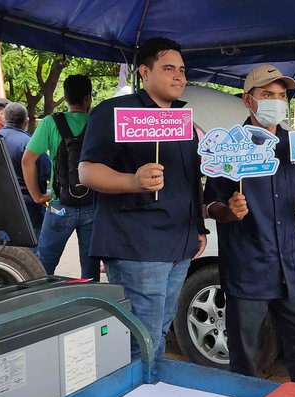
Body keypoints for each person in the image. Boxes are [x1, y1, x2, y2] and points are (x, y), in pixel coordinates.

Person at [78, 37, 208, 358]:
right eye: (168, 69)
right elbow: (87, 171)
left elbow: (190, 180)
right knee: (142, 338)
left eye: (181, 70)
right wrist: (133, 181)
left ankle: (151, 385)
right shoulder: (114, 112)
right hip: (138, 246)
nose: (178, 76)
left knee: (161, 329)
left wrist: (199, 228)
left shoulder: (184, 120)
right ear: (145, 73)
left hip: (181, 243)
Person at [204, 64, 295, 386]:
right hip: (247, 267)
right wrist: (228, 211)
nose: (276, 101)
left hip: (292, 267)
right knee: (245, 352)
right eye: (267, 94)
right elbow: (209, 204)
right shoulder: (227, 148)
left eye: (282, 95)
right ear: (248, 100)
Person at [22, 75, 100, 281]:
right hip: (93, 205)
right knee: (90, 267)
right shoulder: (97, 123)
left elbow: (27, 161)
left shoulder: (51, 122)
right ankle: (91, 309)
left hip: (60, 206)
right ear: (87, 98)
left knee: (44, 263)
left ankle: (40, 302)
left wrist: (37, 196)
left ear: (65, 98)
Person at [0, 102, 51, 242]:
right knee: (32, 254)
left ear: (4, 119)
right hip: (28, 207)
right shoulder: (30, 143)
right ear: (26, 121)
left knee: (4, 252)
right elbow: (48, 171)